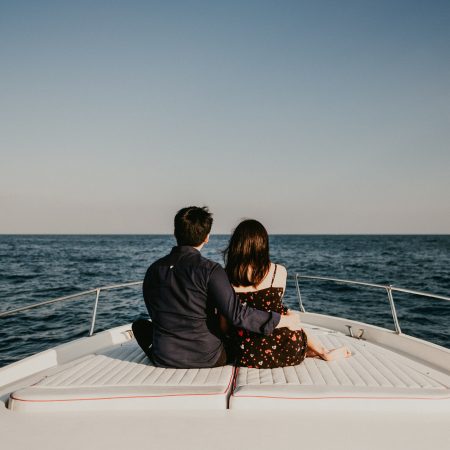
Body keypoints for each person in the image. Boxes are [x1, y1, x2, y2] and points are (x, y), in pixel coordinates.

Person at [133, 206, 304, 369]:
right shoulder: (211, 270)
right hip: (208, 357)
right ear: (207, 237)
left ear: (175, 233)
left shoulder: (153, 270)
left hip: (164, 357)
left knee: (139, 325)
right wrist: (283, 320)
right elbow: (237, 315)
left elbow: (154, 312)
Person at [224, 219, 351, 368]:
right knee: (286, 313)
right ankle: (322, 351)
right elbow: (275, 308)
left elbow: (225, 326)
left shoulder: (224, 277)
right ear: (263, 244)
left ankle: (314, 351)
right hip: (286, 348)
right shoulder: (279, 271)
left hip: (245, 353)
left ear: (236, 245)